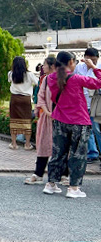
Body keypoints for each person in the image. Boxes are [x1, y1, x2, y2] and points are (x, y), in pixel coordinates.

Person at [43, 51, 101, 198]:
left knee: (58, 153)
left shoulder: (50, 78)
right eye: (74, 62)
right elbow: (99, 83)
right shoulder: (77, 79)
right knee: (78, 155)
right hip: (79, 122)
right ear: (70, 62)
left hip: (60, 121)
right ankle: (73, 188)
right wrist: (94, 67)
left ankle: (51, 184)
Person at [25, 57, 57, 185]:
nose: (42, 67)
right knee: (44, 145)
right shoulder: (46, 80)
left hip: (60, 119)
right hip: (46, 117)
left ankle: (63, 175)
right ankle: (38, 174)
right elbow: (40, 97)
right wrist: (46, 111)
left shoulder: (64, 79)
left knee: (61, 148)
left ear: (52, 66)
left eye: (44, 65)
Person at [73, 47, 100, 164]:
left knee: (97, 129)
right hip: (82, 103)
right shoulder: (79, 67)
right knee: (87, 129)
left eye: (95, 60)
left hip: (96, 103)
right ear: (85, 58)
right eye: (91, 60)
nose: (93, 63)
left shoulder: (99, 67)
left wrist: (94, 67)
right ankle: (92, 153)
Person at [8, 56, 38, 150]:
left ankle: (14, 144)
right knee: (26, 121)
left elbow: (9, 81)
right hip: (26, 99)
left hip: (14, 99)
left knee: (14, 120)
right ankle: (27, 144)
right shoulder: (29, 74)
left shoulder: (11, 74)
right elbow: (37, 82)